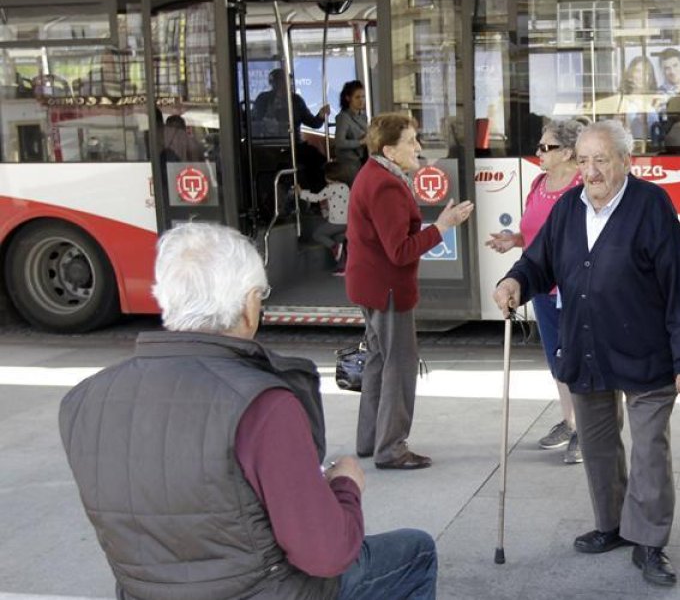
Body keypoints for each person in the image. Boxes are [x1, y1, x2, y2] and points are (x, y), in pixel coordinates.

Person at [58, 222, 438, 599]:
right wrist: (346, 486)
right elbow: (327, 555)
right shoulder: (261, 404)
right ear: (248, 304)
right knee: (416, 552)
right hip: (264, 591)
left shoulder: (83, 401)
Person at [492, 120, 680, 588]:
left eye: (601, 160)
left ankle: (648, 541)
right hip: (587, 348)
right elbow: (537, 261)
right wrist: (514, 281)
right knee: (599, 445)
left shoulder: (651, 206)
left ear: (626, 161)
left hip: (646, 351)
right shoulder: (568, 208)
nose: (591, 171)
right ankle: (612, 525)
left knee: (649, 451)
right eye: (583, 160)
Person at [346, 113, 474, 470]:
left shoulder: (373, 174)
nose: (418, 147)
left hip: (369, 285)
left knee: (378, 362)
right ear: (389, 149)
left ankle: (370, 440)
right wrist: (443, 227)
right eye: (411, 141)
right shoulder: (386, 184)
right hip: (387, 288)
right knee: (398, 367)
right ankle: (392, 449)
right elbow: (399, 251)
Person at [486, 118, 585, 464]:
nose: (539, 152)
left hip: (575, 289)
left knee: (580, 358)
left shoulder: (582, 185)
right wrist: (514, 240)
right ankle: (570, 420)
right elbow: (535, 235)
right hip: (542, 288)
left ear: (570, 152)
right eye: (540, 146)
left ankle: (587, 431)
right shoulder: (540, 183)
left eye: (547, 147)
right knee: (556, 358)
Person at [254, 68, 331, 192]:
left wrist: (321, 115)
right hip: (269, 145)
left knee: (319, 161)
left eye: (288, 83)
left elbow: (313, 123)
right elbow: (255, 122)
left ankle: (315, 199)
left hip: (295, 145)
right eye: (281, 83)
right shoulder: (263, 100)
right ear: (273, 84)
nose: (285, 86)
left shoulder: (296, 100)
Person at [299, 160, 352, 275]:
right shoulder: (346, 187)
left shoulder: (331, 188)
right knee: (339, 239)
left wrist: (301, 193)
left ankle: (334, 247)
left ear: (330, 175)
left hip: (336, 222)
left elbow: (317, 197)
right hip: (347, 222)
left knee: (318, 234)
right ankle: (342, 267)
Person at [334, 80, 369, 172]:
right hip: (350, 162)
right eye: (357, 97)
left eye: (363, 97)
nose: (361, 100)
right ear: (348, 98)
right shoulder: (343, 117)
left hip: (364, 158)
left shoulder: (363, 117)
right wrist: (361, 142)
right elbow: (339, 142)